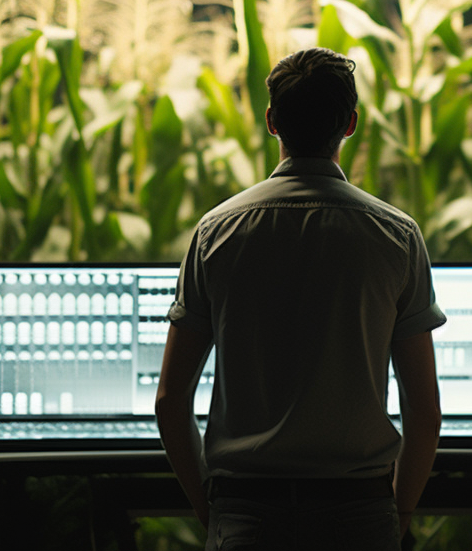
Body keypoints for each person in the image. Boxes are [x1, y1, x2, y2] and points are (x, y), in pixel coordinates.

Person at [155, 47, 446, 551]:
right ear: (351, 123)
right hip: (360, 512)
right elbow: (423, 408)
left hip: (245, 510)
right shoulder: (396, 236)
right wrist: (396, 514)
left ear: (271, 121)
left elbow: (169, 400)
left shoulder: (216, 233)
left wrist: (210, 509)